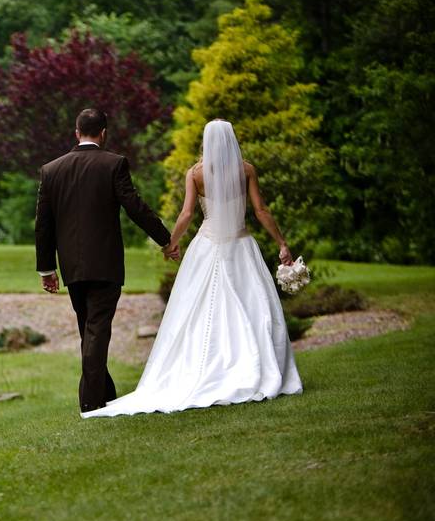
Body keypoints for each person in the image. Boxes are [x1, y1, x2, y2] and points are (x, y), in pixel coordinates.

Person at [81, 119, 302, 418]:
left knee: (197, 310)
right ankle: (253, 365)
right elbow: (261, 209)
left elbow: (186, 213)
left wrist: (170, 243)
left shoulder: (196, 174)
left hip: (207, 246)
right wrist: (282, 243)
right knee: (253, 306)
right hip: (241, 245)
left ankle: (208, 364)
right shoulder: (246, 169)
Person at [35, 108, 178, 414]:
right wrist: (166, 240)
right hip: (105, 263)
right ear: (103, 133)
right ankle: (91, 403)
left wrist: (47, 269)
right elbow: (136, 207)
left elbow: (43, 225)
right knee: (96, 331)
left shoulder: (51, 170)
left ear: (76, 132)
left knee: (90, 329)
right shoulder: (114, 164)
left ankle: (104, 394)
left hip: (72, 267)